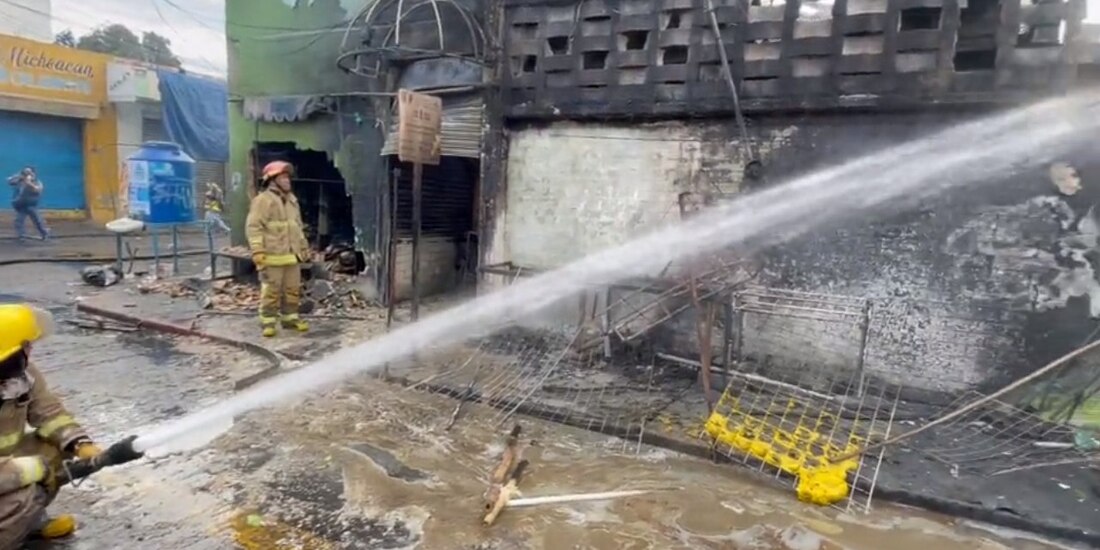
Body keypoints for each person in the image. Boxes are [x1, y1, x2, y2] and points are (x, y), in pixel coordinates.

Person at [0, 304, 102, 547]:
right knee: (24, 494)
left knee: (54, 450)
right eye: (25, 345)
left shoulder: (22, 375)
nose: (30, 349)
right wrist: (29, 470)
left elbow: (49, 413)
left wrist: (80, 443)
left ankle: (28, 522)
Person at [246, 161, 311, 338]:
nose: (287, 180)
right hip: (272, 256)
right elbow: (254, 227)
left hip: (292, 256)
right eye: (283, 177)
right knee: (271, 291)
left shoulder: (292, 200)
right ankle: (268, 322)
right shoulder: (263, 201)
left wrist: (304, 248)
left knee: (292, 290)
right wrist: (258, 251)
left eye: (288, 177)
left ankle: (290, 319)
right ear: (272, 180)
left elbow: (297, 227)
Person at [7, 167, 50, 242]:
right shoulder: (20, 181)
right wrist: (18, 176)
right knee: (19, 221)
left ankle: (44, 233)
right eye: (25, 173)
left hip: (31, 205)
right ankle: (21, 235)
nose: (27, 175)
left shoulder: (37, 182)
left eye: (29, 173)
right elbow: (10, 181)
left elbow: (38, 190)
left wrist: (29, 183)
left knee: (37, 221)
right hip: (21, 205)